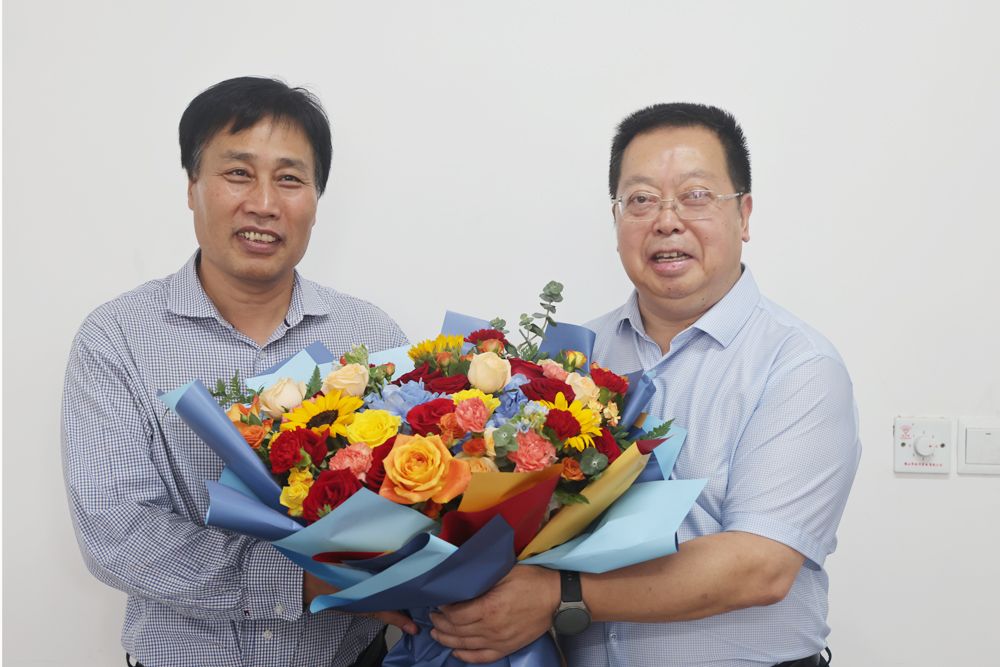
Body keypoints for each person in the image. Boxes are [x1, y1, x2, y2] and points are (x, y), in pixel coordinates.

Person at [429, 103, 860, 666]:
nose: (666, 220)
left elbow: (761, 566)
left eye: (696, 195)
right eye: (640, 199)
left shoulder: (798, 365)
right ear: (616, 220)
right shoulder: (570, 358)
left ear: (745, 215)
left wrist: (561, 595)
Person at [61, 76, 415, 667]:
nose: (264, 203)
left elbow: (411, 506)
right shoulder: (117, 338)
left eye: (290, 179)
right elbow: (116, 531)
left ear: (316, 200)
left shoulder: (368, 335)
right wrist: (304, 582)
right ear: (192, 186)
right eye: (238, 173)